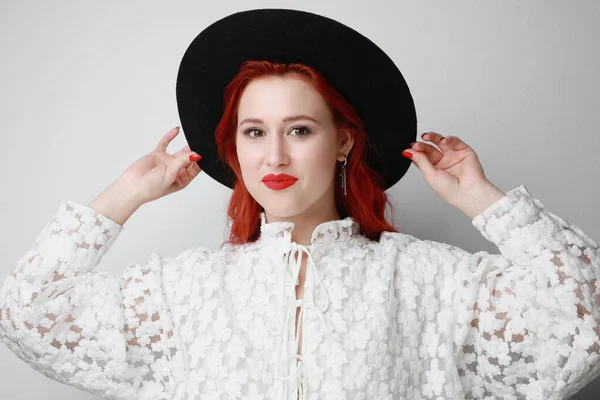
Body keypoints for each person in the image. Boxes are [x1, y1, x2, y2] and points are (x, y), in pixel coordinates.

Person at [1, 8, 599, 400]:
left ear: (343, 140)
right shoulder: (183, 293)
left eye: (301, 130)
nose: (275, 158)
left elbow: (585, 320)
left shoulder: (427, 281)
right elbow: (28, 314)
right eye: (254, 132)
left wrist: (482, 200)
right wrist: (127, 192)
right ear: (231, 149)